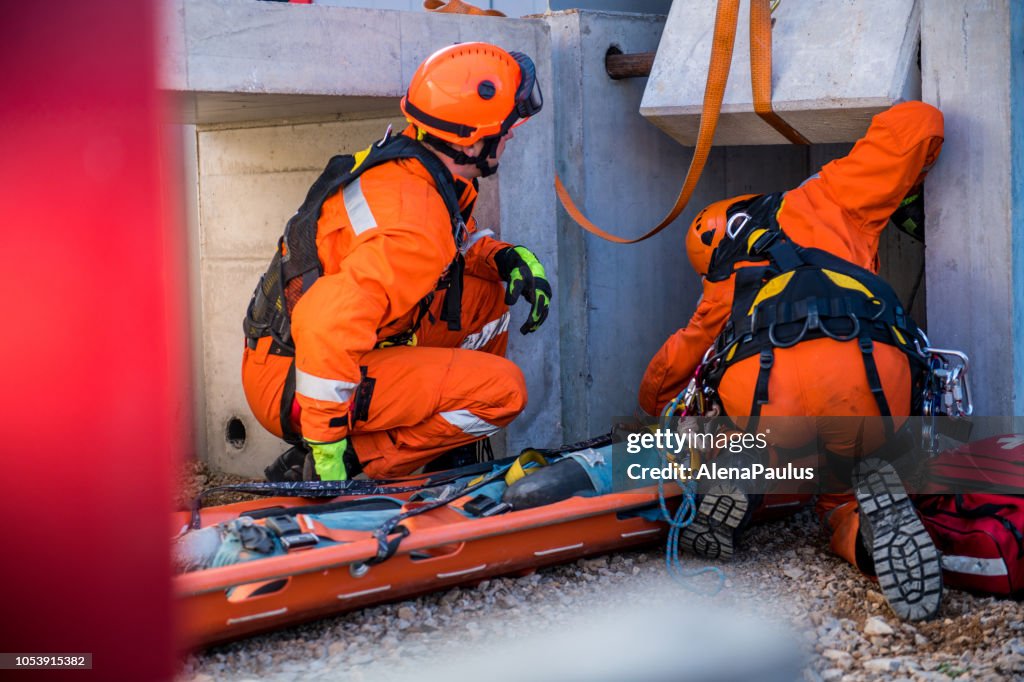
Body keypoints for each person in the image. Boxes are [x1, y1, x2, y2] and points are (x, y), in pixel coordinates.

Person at [639, 101, 945, 620]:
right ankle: (861, 530)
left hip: (767, 397)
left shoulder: (721, 288)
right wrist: (908, 187)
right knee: (843, 488)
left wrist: (659, 413)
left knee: (741, 428)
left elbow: (664, 385)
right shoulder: (831, 195)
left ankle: (745, 473)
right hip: (866, 375)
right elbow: (920, 121)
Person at [241, 42, 551, 482]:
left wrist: (504, 259)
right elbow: (326, 325)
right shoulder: (415, 223)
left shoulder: (415, 167)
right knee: (504, 392)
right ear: (470, 138)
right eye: (504, 126)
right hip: (297, 379)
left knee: (488, 298)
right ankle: (355, 461)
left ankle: (449, 448)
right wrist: (327, 455)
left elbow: (450, 245)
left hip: (301, 352)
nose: (512, 134)